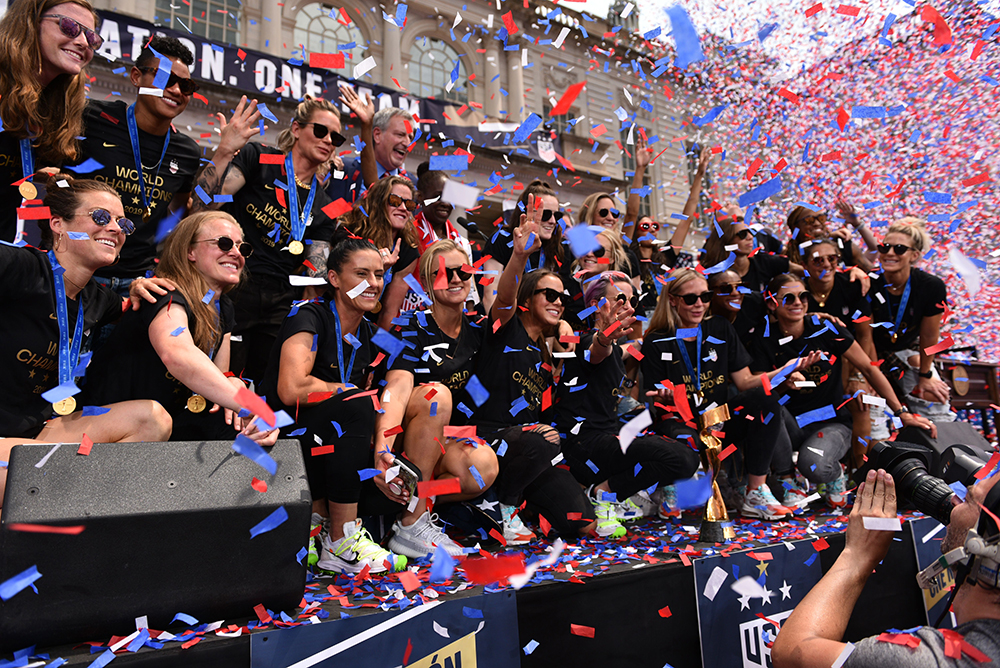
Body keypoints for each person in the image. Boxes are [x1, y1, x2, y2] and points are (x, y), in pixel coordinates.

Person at [0, 175, 172, 507]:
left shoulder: (101, 302)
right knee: (56, 472)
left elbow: (123, 311)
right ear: (58, 224)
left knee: (153, 419)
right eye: (100, 217)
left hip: (42, 433)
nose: (116, 229)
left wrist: (136, 288)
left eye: (122, 222)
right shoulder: (19, 267)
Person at [259, 228, 407, 574]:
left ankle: (326, 526)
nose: (373, 283)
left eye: (379, 274)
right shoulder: (308, 315)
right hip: (281, 445)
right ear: (334, 279)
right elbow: (291, 389)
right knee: (356, 404)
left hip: (333, 448)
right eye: (361, 273)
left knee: (421, 398)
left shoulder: (374, 333)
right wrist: (345, 390)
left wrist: (384, 447)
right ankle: (342, 539)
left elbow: (402, 380)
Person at [469, 194, 603, 542]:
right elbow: (504, 297)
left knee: (582, 522)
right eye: (549, 295)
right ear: (528, 300)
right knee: (542, 440)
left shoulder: (547, 354)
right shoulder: (505, 327)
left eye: (562, 298)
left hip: (527, 446)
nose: (558, 303)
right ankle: (501, 505)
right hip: (484, 436)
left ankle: (522, 500)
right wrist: (519, 256)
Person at [640, 268, 821, 521]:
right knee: (682, 439)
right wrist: (667, 397)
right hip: (680, 420)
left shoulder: (720, 327)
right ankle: (675, 484)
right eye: (691, 299)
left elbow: (746, 381)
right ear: (672, 300)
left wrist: (784, 369)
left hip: (718, 418)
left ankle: (756, 492)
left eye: (705, 297)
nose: (700, 304)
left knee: (765, 399)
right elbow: (657, 399)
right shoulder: (656, 340)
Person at [82, 212, 278, 444]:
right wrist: (250, 405)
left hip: (171, 422)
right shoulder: (164, 292)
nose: (235, 253)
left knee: (244, 434)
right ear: (189, 251)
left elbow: (217, 378)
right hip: (116, 427)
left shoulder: (224, 306)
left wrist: (232, 384)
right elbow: (177, 354)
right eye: (224, 243)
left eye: (242, 248)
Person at [771, 469, 1000, 668]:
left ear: (985, 551)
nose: (953, 503)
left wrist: (857, 556)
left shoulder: (925, 660)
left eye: (968, 500)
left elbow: (791, 653)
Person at [189, 96, 348, 383]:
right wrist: (224, 151)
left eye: (336, 137)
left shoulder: (324, 205)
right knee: (217, 380)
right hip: (232, 285)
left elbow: (314, 278)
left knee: (259, 388)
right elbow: (204, 207)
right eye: (320, 130)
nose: (328, 140)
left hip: (279, 303)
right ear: (297, 129)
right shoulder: (259, 158)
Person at [750, 274, 935, 509]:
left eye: (803, 296)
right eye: (788, 298)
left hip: (831, 421)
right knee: (767, 402)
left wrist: (901, 411)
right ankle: (788, 482)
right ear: (771, 303)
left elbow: (868, 367)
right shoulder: (764, 338)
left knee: (815, 466)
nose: (797, 302)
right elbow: (755, 385)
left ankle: (835, 473)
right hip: (789, 425)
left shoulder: (826, 328)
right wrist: (783, 379)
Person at [374, 240, 499, 558]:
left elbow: (509, 307)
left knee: (483, 465)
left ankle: (421, 504)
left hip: (443, 443)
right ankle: (411, 521)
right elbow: (397, 387)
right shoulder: (410, 326)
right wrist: (383, 450)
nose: (456, 279)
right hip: (401, 439)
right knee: (435, 395)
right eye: (444, 273)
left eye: (463, 271)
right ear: (428, 284)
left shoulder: (478, 329)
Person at [555, 271, 701, 529]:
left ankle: (650, 491)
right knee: (684, 459)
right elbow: (598, 349)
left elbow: (620, 351)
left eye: (632, 300)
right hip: (586, 446)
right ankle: (605, 493)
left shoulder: (616, 348)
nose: (629, 307)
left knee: (666, 423)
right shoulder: (589, 341)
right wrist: (606, 335)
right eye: (620, 299)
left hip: (610, 434)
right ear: (596, 306)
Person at [77, 36, 201, 307]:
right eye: (165, 78)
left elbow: (176, 214)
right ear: (136, 76)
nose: (177, 90)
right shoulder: (90, 119)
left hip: (136, 286)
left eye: (187, 85)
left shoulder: (188, 152)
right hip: (78, 276)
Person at [0, 0, 100, 243]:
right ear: (31, 23)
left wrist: (36, 174)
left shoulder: (52, 109)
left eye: (92, 37)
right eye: (69, 26)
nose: (83, 42)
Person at [868, 219, 953, 434]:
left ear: (914, 255)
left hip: (906, 350)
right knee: (870, 405)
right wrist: (869, 374)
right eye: (884, 247)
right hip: (869, 354)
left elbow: (929, 335)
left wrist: (925, 375)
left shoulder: (931, 286)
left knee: (935, 396)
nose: (890, 253)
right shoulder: (868, 282)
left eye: (899, 249)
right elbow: (864, 336)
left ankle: (940, 449)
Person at [337, 175, 421, 329]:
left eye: (409, 204)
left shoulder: (408, 250)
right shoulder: (350, 232)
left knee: (393, 349)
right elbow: (342, 294)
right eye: (395, 201)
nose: (403, 208)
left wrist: (381, 350)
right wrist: (379, 270)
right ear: (378, 201)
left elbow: (389, 311)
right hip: (335, 318)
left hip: (368, 327)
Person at [481, 180, 569, 313]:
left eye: (556, 215)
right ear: (526, 213)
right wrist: (499, 329)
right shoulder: (502, 239)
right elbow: (490, 293)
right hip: (506, 321)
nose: (552, 221)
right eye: (545, 214)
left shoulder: (559, 249)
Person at [326, 105, 415, 204]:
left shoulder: (415, 184)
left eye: (411, 138)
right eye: (400, 135)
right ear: (377, 135)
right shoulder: (340, 169)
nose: (407, 144)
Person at [703, 213, 802, 292]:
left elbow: (804, 272)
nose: (750, 237)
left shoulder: (764, 261)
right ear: (726, 240)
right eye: (743, 234)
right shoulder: (711, 273)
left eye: (751, 232)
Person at [784, 200, 877, 273]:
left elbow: (873, 270)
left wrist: (857, 224)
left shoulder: (842, 244)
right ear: (795, 227)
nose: (817, 223)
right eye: (809, 220)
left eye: (821, 218)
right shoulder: (788, 255)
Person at [707, 269, 767, 340]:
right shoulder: (698, 314)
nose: (735, 293)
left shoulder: (755, 303)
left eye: (740, 286)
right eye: (726, 288)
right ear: (710, 293)